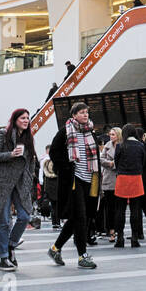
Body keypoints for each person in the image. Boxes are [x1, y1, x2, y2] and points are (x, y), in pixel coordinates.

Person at [48, 101, 98, 268]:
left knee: (76, 218)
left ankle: (55, 248)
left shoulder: (91, 132)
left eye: (87, 112)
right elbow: (54, 152)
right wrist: (67, 166)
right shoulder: (65, 131)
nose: (85, 115)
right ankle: (82, 256)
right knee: (81, 218)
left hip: (88, 180)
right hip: (73, 180)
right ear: (74, 115)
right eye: (82, 112)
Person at [0, 108, 36, 271]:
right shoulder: (3, 134)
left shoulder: (28, 138)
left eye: (28, 118)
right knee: (4, 222)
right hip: (3, 183)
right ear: (15, 120)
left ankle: (10, 246)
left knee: (24, 216)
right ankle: (3, 258)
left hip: (20, 184)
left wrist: (30, 175)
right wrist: (11, 154)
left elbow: (31, 160)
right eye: (22, 118)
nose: (26, 120)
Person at [111, 124, 146, 247]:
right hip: (136, 179)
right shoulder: (140, 146)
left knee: (120, 210)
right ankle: (134, 238)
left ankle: (120, 238)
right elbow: (143, 162)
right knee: (135, 210)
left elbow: (116, 162)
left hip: (122, 179)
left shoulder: (120, 146)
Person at [98, 127, 119, 241]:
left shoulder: (123, 145)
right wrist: (110, 163)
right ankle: (111, 231)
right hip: (108, 179)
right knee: (110, 208)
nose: (111, 136)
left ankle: (117, 230)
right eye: (110, 134)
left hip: (120, 179)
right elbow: (101, 160)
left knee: (119, 208)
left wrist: (114, 164)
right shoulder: (107, 146)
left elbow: (124, 160)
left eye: (113, 134)